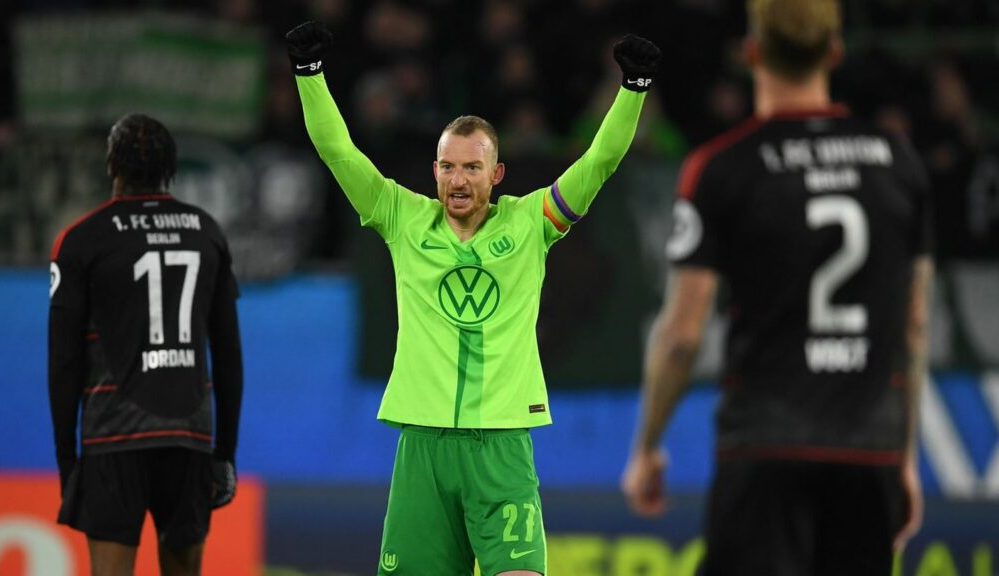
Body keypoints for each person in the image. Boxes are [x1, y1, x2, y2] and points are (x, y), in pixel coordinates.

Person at [286, 20, 659, 576]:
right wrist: (309, 76)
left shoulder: (533, 222)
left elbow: (598, 163)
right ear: (435, 172)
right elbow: (337, 150)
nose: (458, 180)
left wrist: (633, 91)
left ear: (497, 174)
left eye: (472, 167)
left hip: (501, 446)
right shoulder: (401, 216)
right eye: (448, 167)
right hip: (424, 447)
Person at [621, 0, 933, 574]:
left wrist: (647, 447)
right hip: (869, 449)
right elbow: (913, 328)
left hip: (765, 445)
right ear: (834, 51)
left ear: (751, 52)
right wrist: (905, 458)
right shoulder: (899, 164)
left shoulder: (723, 168)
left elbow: (682, 336)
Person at [49, 114, 244, 576]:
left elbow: (63, 361)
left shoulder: (81, 239)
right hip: (189, 435)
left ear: (111, 165)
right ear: (170, 167)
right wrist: (224, 455)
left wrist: (67, 460)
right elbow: (229, 355)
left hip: (113, 436)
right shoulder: (205, 232)